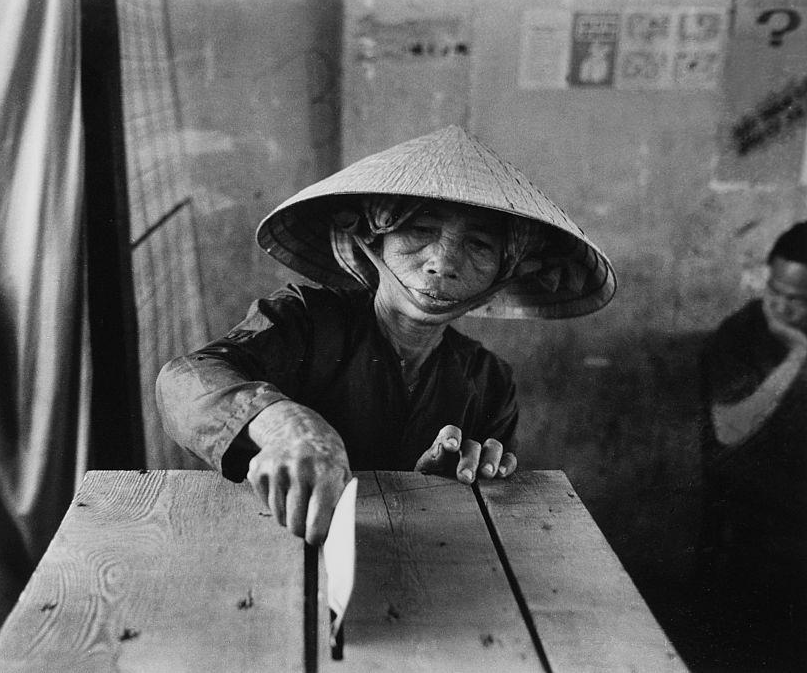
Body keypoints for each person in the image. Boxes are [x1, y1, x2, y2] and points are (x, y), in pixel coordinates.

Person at [156, 126, 616, 544]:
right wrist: (288, 426)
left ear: (505, 271)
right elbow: (183, 380)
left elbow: (483, 525)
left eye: (478, 245)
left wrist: (442, 485)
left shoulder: (489, 381)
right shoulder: (304, 319)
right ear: (372, 238)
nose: (443, 263)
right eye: (419, 229)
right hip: (267, 544)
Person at [697, 221, 807, 671]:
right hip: (751, 519)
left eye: (799, 299)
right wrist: (797, 358)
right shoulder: (739, 336)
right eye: (776, 289)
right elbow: (729, 429)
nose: (782, 305)